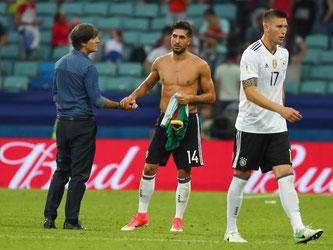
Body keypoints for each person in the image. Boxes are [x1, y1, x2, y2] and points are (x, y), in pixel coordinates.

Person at [224, 9, 323, 244]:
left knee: (286, 175)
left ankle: (299, 229)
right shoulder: (251, 54)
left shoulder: (285, 54)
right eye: (279, 27)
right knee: (241, 177)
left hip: (276, 128)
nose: (284, 31)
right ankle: (231, 231)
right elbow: (250, 93)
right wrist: (280, 109)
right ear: (266, 27)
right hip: (251, 127)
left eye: (286, 27)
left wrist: (281, 108)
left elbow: (278, 86)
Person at [120, 21, 216, 232]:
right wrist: (132, 96)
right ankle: (141, 216)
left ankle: (177, 220)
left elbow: (211, 96)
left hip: (188, 121)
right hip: (165, 120)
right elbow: (147, 85)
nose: (177, 40)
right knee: (149, 167)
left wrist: (191, 97)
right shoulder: (160, 62)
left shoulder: (200, 65)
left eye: (182, 37)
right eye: (174, 36)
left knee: (183, 171)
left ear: (189, 40)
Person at [43, 23, 137, 230]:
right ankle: (71, 220)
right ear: (84, 43)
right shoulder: (88, 67)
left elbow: (55, 95)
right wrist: (121, 106)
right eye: (94, 38)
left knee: (61, 171)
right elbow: (98, 101)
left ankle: (49, 217)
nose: (98, 41)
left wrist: (65, 111)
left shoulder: (59, 63)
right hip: (82, 124)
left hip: (62, 123)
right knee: (79, 174)